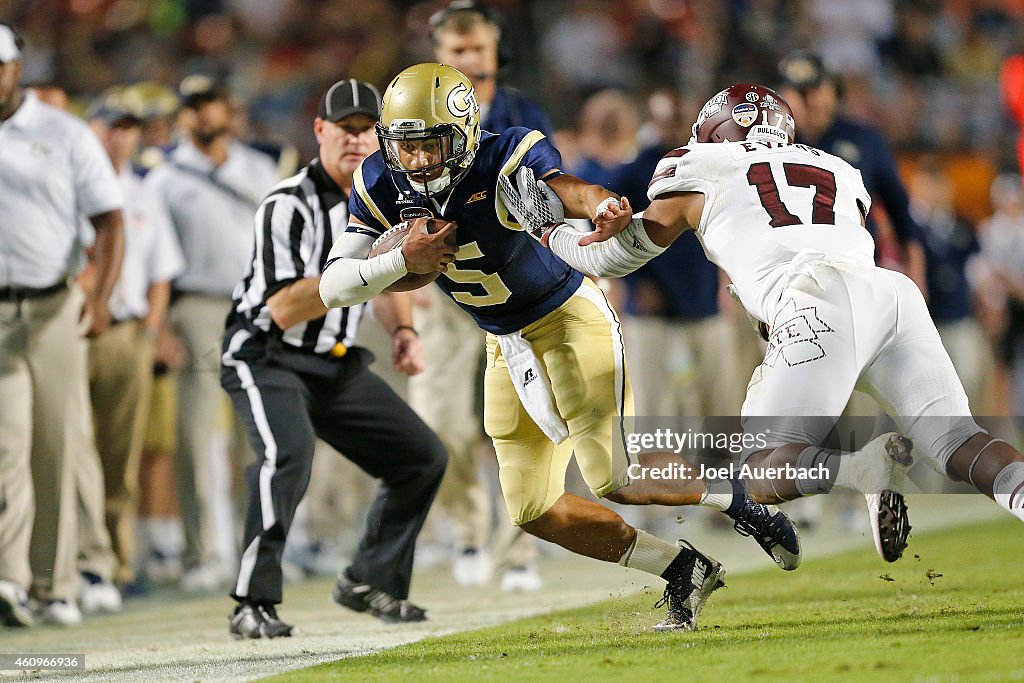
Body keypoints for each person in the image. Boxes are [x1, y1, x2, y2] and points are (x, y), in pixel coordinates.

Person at [320, 63, 801, 632]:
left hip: (567, 318)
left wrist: (599, 206)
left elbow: (566, 190)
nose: (420, 161)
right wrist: (401, 262)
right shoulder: (380, 178)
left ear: (466, 131)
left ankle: (741, 500)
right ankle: (681, 568)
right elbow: (332, 284)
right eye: (409, 146)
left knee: (614, 477)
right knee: (533, 510)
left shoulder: (502, 157)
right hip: (505, 340)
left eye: (433, 144)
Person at [498, 82, 1024, 565]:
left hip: (814, 298)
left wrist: (549, 233)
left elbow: (612, 259)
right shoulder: (837, 166)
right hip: (890, 294)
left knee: (759, 470)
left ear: (715, 129)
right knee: (959, 441)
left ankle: (860, 467)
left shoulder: (700, 163)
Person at [223, 79, 447, 639]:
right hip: (267, 355)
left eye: (368, 130)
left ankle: (370, 579)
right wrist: (379, 265)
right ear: (319, 130)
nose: (356, 140)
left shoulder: (386, 196)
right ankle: (251, 601)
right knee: (287, 457)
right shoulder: (286, 204)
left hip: (336, 359)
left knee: (421, 457)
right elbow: (283, 307)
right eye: (344, 129)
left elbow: (389, 276)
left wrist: (403, 329)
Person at [423, 0, 554, 590]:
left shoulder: (522, 113)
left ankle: (517, 550)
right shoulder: (415, 113)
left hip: (513, 293)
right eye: (457, 52)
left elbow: (550, 203)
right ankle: (467, 529)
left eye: (476, 49)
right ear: (440, 57)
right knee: (441, 425)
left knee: (526, 427)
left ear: (494, 51)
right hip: (445, 299)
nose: (469, 61)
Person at [0, 23, 125, 627]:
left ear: (15, 67)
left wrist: (100, 296)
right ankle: (12, 579)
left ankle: (56, 584)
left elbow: (110, 221)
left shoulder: (63, 131)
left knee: (57, 444)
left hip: (52, 307)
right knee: (7, 446)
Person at [144, 76, 281, 592]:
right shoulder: (163, 178)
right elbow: (157, 262)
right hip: (196, 306)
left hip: (257, 305)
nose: (202, 116)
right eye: (192, 107)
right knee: (196, 434)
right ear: (181, 116)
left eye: (210, 105)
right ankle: (203, 553)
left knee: (261, 433)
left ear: (229, 109)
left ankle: (258, 550)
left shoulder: (261, 168)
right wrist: (161, 327)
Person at [79, 86, 185, 598]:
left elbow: (160, 273)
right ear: (90, 129)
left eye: (127, 128)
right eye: (110, 127)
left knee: (122, 455)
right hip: (74, 333)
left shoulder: (143, 191)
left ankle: (118, 563)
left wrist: (151, 332)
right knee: (72, 449)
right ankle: (77, 561)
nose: (120, 138)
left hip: (127, 331)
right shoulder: (70, 184)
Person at [777, 51, 927, 292]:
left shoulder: (864, 140)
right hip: (788, 276)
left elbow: (899, 210)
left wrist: (916, 273)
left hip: (855, 272)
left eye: (812, 90)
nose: (806, 100)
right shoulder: (774, 145)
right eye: (797, 92)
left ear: (833, 92)